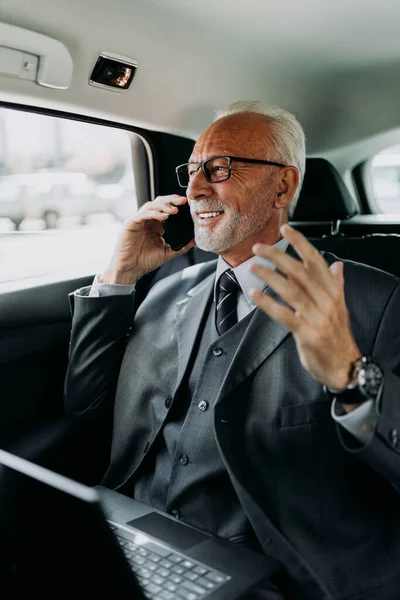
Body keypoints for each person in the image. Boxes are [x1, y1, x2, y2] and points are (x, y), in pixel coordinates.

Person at [65, 101, 400, 600]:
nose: (195, 189)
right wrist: (119, 276)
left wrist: (352, 376)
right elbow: (84, 406)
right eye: (193, 171)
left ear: (283, 186)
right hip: (135, 540)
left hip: (277, 575)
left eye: (219, 169)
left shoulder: (376, 300)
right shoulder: (167, 291)